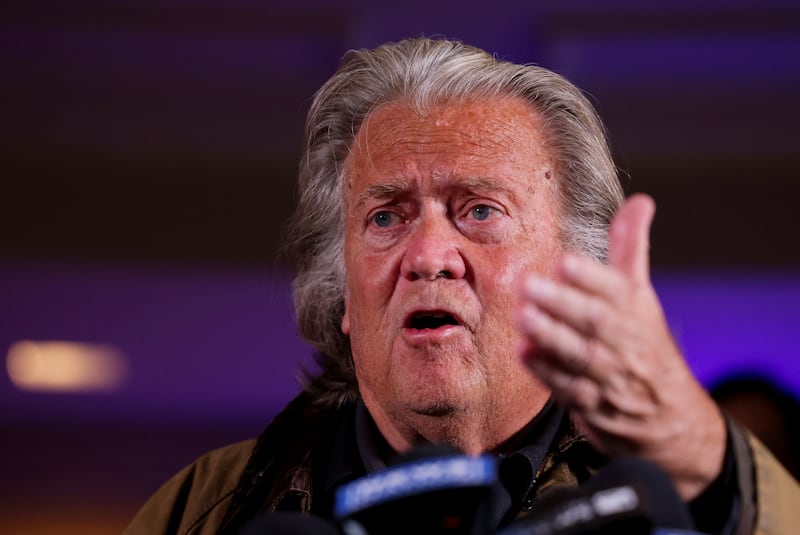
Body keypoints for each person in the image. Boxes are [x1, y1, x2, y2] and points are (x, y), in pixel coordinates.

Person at [124, 37, 800, 534]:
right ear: (345, 296)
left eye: (481, 210)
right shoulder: (204, 509)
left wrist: (712, 462)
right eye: (386, 216)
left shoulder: (674, 499)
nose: (427, 255)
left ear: (573, 272)